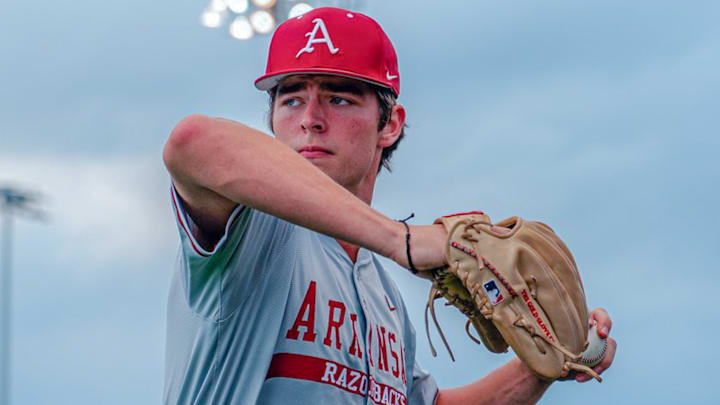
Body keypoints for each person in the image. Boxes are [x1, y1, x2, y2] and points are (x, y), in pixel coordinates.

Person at [162, 7, 616, 404]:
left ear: (390, 124)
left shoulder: (384, 297)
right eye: (291, 98)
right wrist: (402, 240)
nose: (310, 119)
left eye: (338, 98)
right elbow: (192, 142)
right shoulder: (251, 229)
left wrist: (543, 366)